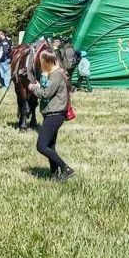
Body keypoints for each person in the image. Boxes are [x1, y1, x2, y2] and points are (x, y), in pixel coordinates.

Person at [28, 50, 75, 182]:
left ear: (47, 62)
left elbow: (45, 94)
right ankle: (54, 175)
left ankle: (66, 169)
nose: (40, 64)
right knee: (50, 146)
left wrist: (33, 88)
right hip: (52, 114)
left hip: (54, 115)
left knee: (41, 146)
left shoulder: (56, 76)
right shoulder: (54, 75)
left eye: (42, 62)